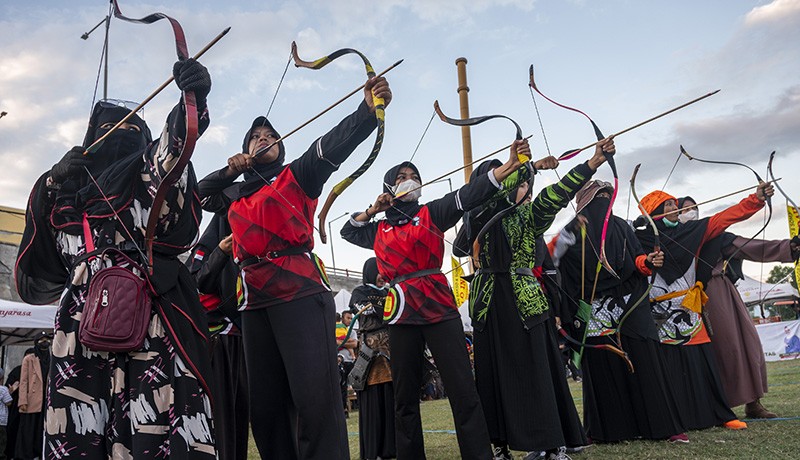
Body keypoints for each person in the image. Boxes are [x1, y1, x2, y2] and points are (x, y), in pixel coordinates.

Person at [15, 59, 215, 458]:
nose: (117, 138)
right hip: (78, 330)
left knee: (153, 428)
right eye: (106, 131)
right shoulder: (65, 199)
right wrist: (52, 180)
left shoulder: (143, 180)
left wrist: (191, 103)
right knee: (78, 431)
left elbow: (171, 155)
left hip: (149, 321)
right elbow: (40, 258)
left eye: (129, 131)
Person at [197, 74, 391, 459]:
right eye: (254, 138)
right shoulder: (233, 195)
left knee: (314, 400)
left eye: (270, 136)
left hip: (300, 293)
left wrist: (368, 110)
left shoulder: (298, 174)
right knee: (266, 409)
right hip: (253, 303)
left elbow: (334, 144)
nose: (263, 138)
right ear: (243, 151)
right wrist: (229, 172)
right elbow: (200, 193)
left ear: (281, 149)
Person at [340, 137, 532, 460]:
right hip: (400, 312)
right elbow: (348, 231)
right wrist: (374, 209)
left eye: (413, 175)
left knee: (462, 388)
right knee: (404, 397)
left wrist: (510, 167)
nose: (409, 180)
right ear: (389, 186)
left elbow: (467, 196)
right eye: (401, 177)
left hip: (438, 305)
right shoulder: (379, 230)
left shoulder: (432, 212)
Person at [454, 140, 611, 460]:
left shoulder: (529, 214)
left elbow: (557, 194)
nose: (523, 186)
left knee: (536, 371)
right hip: (487, 303)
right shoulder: (478, 213)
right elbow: (488, 195)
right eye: (515, 180)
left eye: (524, 181)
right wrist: (528, 166)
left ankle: (551, 443)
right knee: (491, 374)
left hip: (524, 300)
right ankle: (498, 445)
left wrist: (592, 163)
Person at [551, 180, 686, 445]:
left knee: (646, 358)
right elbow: (551, 258)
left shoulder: (622, 226)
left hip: (628, 300)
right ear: (585, 202)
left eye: (607, 196)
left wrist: (648, 262)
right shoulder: (571, 230)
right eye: (597, 197)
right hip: (593, 303)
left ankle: (665, 426)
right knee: (602, 365)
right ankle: (604, 430)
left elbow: (638, 259)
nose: (604, 201)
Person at [634, 182, 774, 432]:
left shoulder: (693, 231)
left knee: (703, 363)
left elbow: (725, 217)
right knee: (668, 368)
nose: (675, 209)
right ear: (653, 213)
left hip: (688, 308)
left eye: (675, 204)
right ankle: (674, 420)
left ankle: (720, 414)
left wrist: (756, 199)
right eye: (668, 205)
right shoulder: (636, 239)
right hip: (657, 313)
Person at [680, 196, 800, 418]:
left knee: (747, 343)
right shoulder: (674, 238)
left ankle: (753, 403)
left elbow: (750, 247)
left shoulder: (715, 235)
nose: (691, 212)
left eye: (694, 208)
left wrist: (788, 247)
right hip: (687, 299)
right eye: (685, 209)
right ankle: (715, 407)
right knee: (723, 348)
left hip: (721, 292)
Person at [187, 214, 250, 460]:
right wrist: (221, 252)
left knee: (240, 411)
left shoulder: (246, 251)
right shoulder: (207, 247)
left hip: (242, 339)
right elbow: (197, 280)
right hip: (218, 341)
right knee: (221, 413)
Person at [349, 257, 395, 460]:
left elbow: (391, 311)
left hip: (392, 351)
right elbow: (366, 309)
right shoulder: (359, 292)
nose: (382, 275)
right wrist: (382, 306)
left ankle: (392, 448)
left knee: (391, 398)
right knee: (373, 401)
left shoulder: (390, 291)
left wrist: (381, 304)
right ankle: (374, 450)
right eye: (379, 270)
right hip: (370, 353)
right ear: (370, 271)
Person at [0, 369, 12, 460]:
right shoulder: (3, 389)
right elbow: (8, 402)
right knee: (2, 442)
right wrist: (10, 391)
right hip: (1, 421)